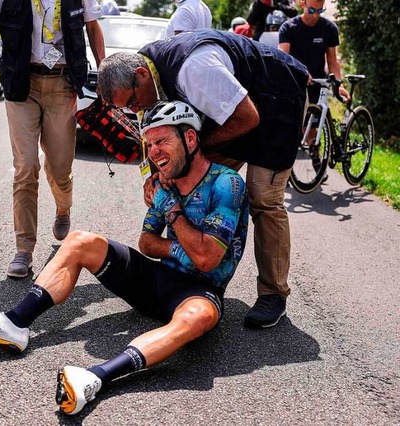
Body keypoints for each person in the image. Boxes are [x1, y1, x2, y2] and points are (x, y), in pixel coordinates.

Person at [0, 100, 249, 415]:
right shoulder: (164, 179)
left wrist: (171, 211)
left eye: (162, 141)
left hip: (199, 293)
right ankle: (14, 323)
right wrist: (176, 242)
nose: (154, 153)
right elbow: (146, 243)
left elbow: (206, 260)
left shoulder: (226, 184)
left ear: (190, 140)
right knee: (81, 241)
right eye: (150, 145)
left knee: (198, 318)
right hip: (157, 281)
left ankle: (94, 378)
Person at [97, 29, 309, 329]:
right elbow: (156, 131)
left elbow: (248, 118)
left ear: (142, 75)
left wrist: (193, 152)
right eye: (125, 108)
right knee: (183, 176)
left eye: (132, 102)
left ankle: (274, 294)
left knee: (263, 198)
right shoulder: (143, 74)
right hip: (231, 113)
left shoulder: (193, 70)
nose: (134, 110)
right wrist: (155, 173)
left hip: (276, 103)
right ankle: (192, 264)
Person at [0, 0, 105, 278]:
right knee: (25, 167)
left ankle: (62, 208)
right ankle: (23, 250)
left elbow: (92, 27)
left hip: (63, 83)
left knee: (60, 169)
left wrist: (103, 69)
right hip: (22, 84)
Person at [279, 0, 350, 104]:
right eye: (311, 10)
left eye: (320, 10)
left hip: (318, 83)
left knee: (320, 117)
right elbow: (282, 57)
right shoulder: (288, 28)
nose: (315, 15)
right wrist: (301, 71)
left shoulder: (329, 28)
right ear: (303, 4)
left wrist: (338, 85)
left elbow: (332, 61)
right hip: (295, 82)